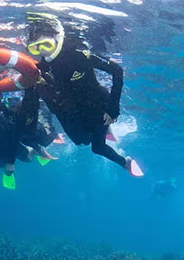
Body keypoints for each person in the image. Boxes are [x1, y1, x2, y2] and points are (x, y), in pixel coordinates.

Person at [23, 13, 143, 177]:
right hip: (75, 108)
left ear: (56, 39)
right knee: (82, 141)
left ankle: (126, 162)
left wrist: (113, 110)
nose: (43, 52)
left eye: (46, 45)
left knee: (97, 148)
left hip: (99, 104)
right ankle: (105, 129)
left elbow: (117, 70)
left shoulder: (79, 54)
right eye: (36, 48)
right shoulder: (43, 66)